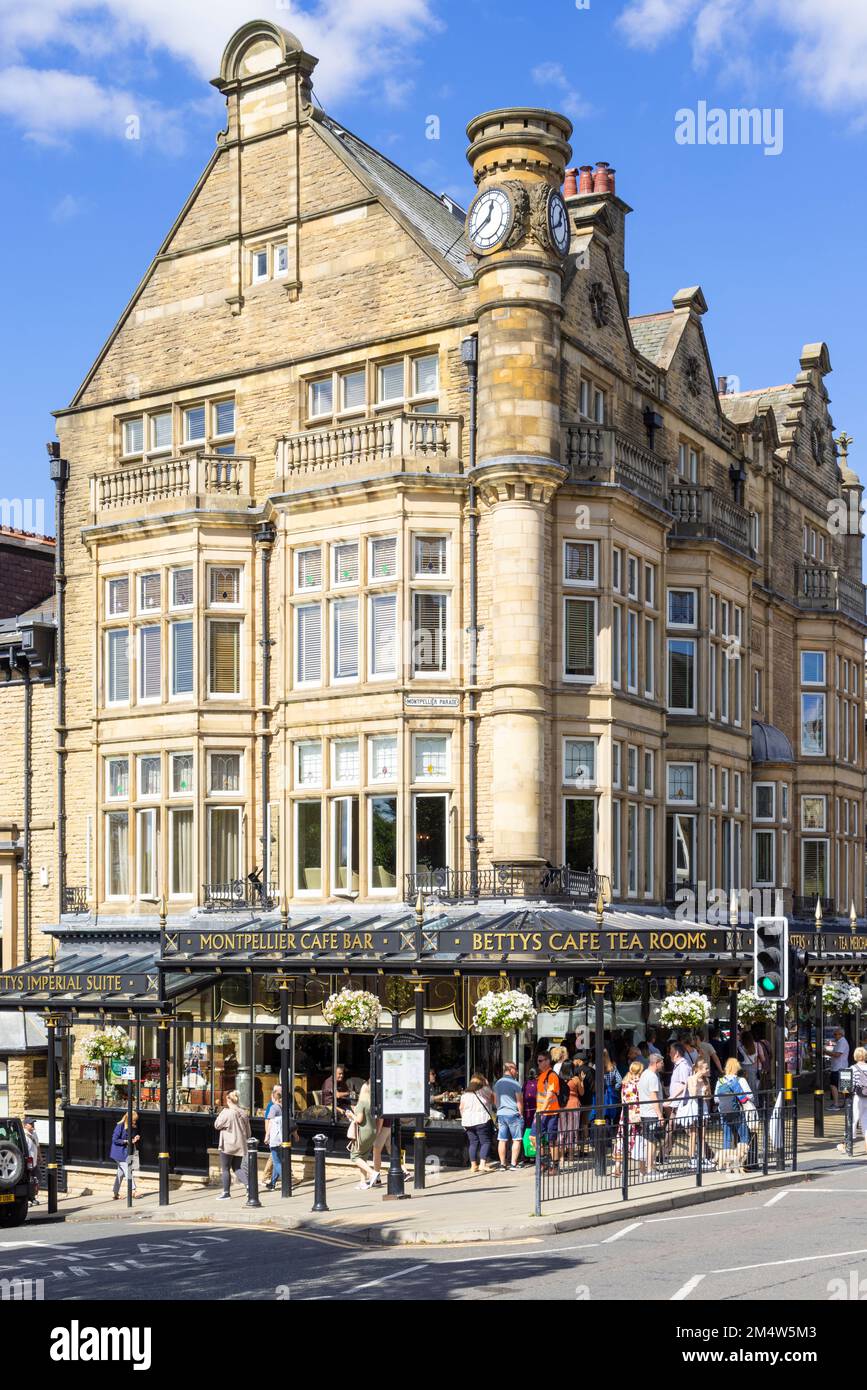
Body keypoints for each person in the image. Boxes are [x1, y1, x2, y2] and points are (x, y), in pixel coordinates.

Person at [715, 1058, 752, 1174]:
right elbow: (750, 1096)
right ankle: (742, 1163)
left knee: (727, 1138)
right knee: (744, 1137)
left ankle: (727, 1165)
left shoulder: (720, 1081)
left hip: (724, 1112)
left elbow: (716, 1099)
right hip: (737, 1113)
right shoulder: (740, 1080)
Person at [678, 1059, 714, 1170]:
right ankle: (692, 1158)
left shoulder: (706, 1079)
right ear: (699, 1069)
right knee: (693, 1133)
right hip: (694, 1107)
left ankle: (703, 1157)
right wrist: (701, 1089)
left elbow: (709, 1096)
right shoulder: (691, 1078)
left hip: (702, 1106)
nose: (708, 1070)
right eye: (706, 1068)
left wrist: (705, 1092)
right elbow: (693, 1094)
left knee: (702, 1134)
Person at [214, 1091, 251, 1199]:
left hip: (228, 1145)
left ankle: (226, 1193)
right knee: (237, 1167)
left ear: (228, 1099)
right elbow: (248, 1132)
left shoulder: (227, 1112)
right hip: (240, 1144)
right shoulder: (243, 1112)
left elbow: (217, 1125)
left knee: (225, 1168)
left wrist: (221, 1113)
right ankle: (249, 1186)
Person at [460, 1073, 497, 1173]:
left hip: (467, 1122)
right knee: (485, 1142)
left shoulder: (465, 1094)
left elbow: (461, 1108)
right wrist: (487, 1084)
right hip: (481, 1120)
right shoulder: (484, 1090)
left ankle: (473, 1166)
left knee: (473, 1143)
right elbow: (494, 1099)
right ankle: (482, 1164)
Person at [614, 1061, 645, 1176]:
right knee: (639, 1139)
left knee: (621, 1140)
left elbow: (623, 1099)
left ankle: (617, 1167)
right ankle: (642, 1168)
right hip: (637, 1114)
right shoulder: (639, 1083)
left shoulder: (625, 1083)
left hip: (625, 1114)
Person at [347, 1081, 380, 1188]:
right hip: (372, 1132)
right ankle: (363, 1182)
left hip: (363, 1132)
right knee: (363, 1156)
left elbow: (359, 1120)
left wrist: (351, 1115)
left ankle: (372, 1173)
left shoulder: (362, 1102)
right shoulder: (373, 1103)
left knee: (355, 1156)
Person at [493, 1062, 524, 1171]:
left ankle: (502, 1164)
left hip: (501, 1114)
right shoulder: (515, 1083)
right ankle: (513, 1164)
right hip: (513, 1114)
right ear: (510, 1069)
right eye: (515, 1069)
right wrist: (521, 1113)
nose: (516, 1071)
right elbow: (519, 1101)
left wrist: (499, 1110)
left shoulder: (497, 1083)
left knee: (502, 1139)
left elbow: (496, 1101)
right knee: (516, 1139)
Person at [637, 1051, 665, 1171]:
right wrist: (660, 1115)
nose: (663, 1064)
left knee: (649, 1140)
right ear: (656, 1063)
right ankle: (650, 1168)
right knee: (652, 1141)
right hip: (651, 1113)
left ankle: (649, 1167)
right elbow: (653, 1096)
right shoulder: (652, 1076)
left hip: (645, 1112)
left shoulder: (644, 1074)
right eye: (662, 1062)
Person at [534, 1051, 562, 1171]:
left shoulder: (552, 1076)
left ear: (547, 1061)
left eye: (540, 1061)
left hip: (550, 1112)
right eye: (538, 1061)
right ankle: (544, 1161)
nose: (538, 1063)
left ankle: (554, 1166)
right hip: (541, 1112)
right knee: (534, 1137)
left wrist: (541, 1111)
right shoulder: (541, 1076)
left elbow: (549, 1095)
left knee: (552, 1140)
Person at [838, 1046, 867, 1157]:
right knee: (866, 1123)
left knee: (853, 1120)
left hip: (858, 1098)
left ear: (855, 1056)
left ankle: (847, 1145)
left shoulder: (853, 1068)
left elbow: (847, 1087)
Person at [109, 1110, 141, 1199]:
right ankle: (134, 1190)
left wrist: (135, 1138)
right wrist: (126, 1141)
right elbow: (114, 1139)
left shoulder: (132, 1127)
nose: (135, 1122)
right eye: (133, 1120)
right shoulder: (120, 1126)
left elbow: (131, 1138)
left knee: (120, 1173)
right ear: (128, 1119)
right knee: (128, 1170)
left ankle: (115, 1193)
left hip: (126, 1152)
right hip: (118, 1153)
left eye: (135, 1120)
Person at [826, 1027, 850, 1111]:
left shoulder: (842, 1042)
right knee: (844, 1086)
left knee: (833, 1085)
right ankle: (846, 1103)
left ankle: (836, 1104)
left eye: (836, 1034)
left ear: (840, 1034)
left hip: (839, 1067)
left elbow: (837, 1054)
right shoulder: (841, 1041)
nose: (834, 1036)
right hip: (841, 1066)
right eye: (834, 1034)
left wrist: (825, 1052)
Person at [262, 1085, 282, 1187]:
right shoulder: (285, 1107)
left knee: (276, 1161)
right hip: (284, 1139)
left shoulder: (273, 1107)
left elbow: (269, 1122)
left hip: (275, 1138)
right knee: (277, 1160)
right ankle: (272, 1183)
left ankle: (287, 1180)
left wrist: (267, 1136)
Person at [22, 1117, 41, 1205]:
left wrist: (40, 1157)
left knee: (37, 1179)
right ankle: (27, 1199)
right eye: (31, 1123)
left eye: (33, 1123)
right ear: (25, 1125)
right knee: (28, 1181)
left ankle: (32, 1197)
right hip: (27, 1163)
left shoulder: (34, 1133)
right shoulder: (23, 1135)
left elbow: (37, 1145)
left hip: (34, 1162)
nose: (33, 1125)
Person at [738, 1031, 760, 1096]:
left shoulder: (740, 1048)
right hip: (752, 1068)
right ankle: (754, 1102)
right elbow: (755, 1060)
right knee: (752, 1087)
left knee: (743, 1086)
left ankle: (744, 1102)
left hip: (743, 1067)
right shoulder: (754, 1047)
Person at [522, 1068, 538, 1133]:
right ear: (536, 1075)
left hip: (527, 1109)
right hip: (535, 1108)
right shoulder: (538, 1083)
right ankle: (532, 1141)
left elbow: (522, 1094)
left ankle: (526, 1141)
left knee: (527, 1125)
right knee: (535, 1125)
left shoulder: (525, 1083)